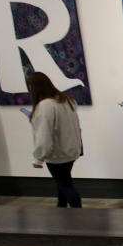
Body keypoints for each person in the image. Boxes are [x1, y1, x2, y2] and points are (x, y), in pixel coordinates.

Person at [28, 72, 83, 208]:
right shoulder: (66, 100)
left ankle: (79, 214)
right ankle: (61, 209)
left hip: (57, 154)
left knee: (64, 184)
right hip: (70, 150)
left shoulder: (45, 105)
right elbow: (76, 126)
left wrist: (38, 158)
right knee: (62, 183)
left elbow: (44, 135)